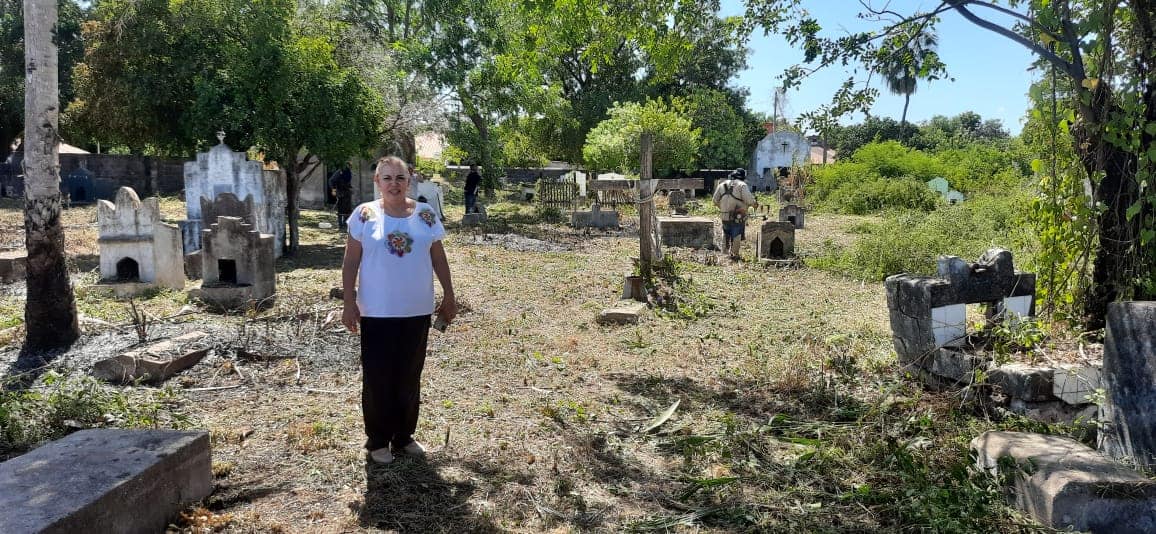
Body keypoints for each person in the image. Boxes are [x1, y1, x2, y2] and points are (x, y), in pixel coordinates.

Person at [341, 155, 457, 465]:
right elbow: (351, 261)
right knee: (378, 377)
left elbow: (438, 257)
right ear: (377, 182)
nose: (394, 184)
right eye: (387, 178)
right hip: (376, 311)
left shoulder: (425, 214)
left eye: (400, 177)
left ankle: (404, 436)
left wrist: (449, 294)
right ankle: (378, 440)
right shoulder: (363, 215)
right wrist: (349, 302)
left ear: (409, 180)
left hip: (416, 310)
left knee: (409, 375)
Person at [712, 168, 758, 259]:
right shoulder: (742, 185)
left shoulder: (722, 184)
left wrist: (722, 208)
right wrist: (754, 204)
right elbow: (749, 200)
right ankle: (734, 255)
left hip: (724, 215)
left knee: (725, 233)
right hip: (737, 215)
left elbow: (714, 201)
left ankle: (724, 254)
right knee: (736, 234)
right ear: (743, 177)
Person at [329, 163, 353, 231]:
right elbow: (331, 181)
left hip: (347, 192)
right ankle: (340, 226)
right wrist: (333, 190)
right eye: (348, 165)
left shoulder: (348, 172)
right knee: (341, 210)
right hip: (340, 192)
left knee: (347, 210)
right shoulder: (339, 172)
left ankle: (345, 225)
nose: (350, 166)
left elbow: (348, 182)